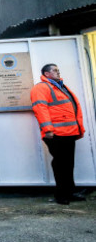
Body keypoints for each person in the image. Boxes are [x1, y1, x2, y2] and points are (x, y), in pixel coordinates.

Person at [30, 63, 86, 205]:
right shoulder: (41, 87)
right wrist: (48, 129)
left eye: (58, 70)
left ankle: (70, 192)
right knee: (61, 165)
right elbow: (40, 108)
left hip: (69, 133)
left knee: (68, 164)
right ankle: (61, 195)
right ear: (46, 74)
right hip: (56, 134)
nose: (58, 72)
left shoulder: (60, 87)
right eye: (54, 70)